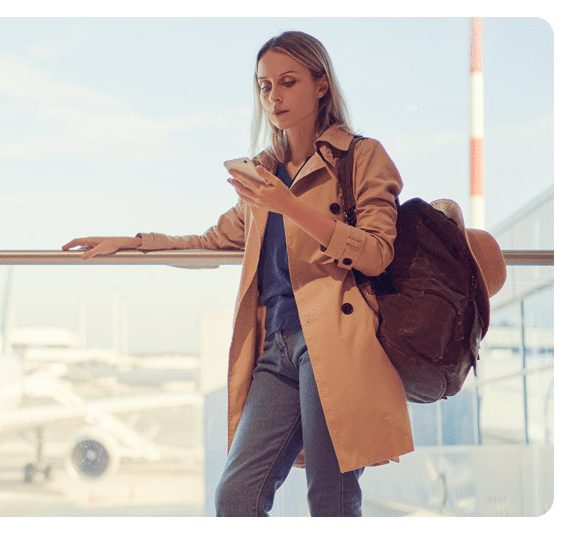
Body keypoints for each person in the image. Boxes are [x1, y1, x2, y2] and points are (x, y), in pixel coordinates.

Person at [61, 31, 414, 516]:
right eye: (264, 86)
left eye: (288, 82)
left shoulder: (361, 157)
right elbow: (210, 241)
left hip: (334, 343)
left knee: (330, 500)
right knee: (236, 498)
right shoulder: (263, 173)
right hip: (276, 349)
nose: (274, 97)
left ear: (321, 86)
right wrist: (133, 243)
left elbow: (376, 253)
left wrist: (289, 205)